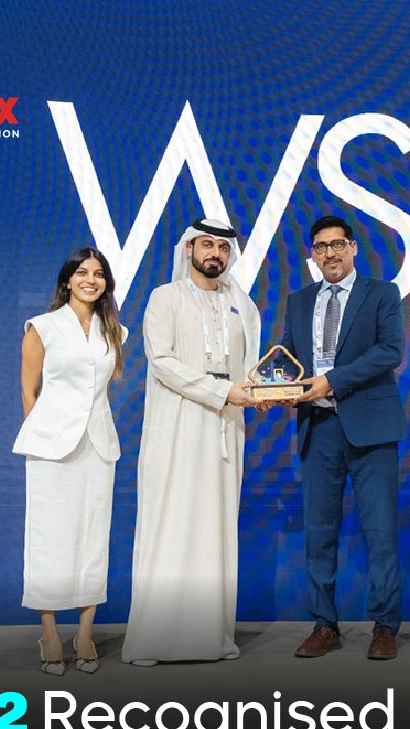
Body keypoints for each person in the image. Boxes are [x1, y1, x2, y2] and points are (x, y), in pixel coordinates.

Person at [121, 219, 260, 666]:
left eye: (223, 246)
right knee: (171, 517)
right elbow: (162, 362)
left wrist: (258, 392)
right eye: (207, 244)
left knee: (216, 524)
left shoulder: (242, 305)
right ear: (189, 249)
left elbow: (251, 368)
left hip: (227, 426)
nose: (215, 253)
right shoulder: (165, 298)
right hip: (178, 422)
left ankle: (213, 637)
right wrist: (222, 391)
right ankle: (152, 641)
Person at [278, 216, 405, 660]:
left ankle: (385, 626)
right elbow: (288, 358)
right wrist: (272, 388)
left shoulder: (382, 293)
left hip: (371, 429)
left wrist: (331, 380)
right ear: (312, 255)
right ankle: (324, 625)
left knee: (380, 532)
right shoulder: (299, 300)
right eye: (320, 247)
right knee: (319, 533)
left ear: (352, 248)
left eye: (336, 245)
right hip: (319, 428)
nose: (329, 253)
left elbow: (390, 351)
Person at [14, 247, 127, 675]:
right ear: (67, 280)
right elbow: (29, 391)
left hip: (98, 446)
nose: (90, 280)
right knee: (49, 539)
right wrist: (46, 435)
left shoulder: (115, 331)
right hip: (51, 448)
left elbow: (100, 390)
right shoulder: (42, 327)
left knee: (92, 539)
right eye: (82, 272)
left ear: (106, 283)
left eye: (98, 274)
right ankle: (48, 632)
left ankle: (84, 634)